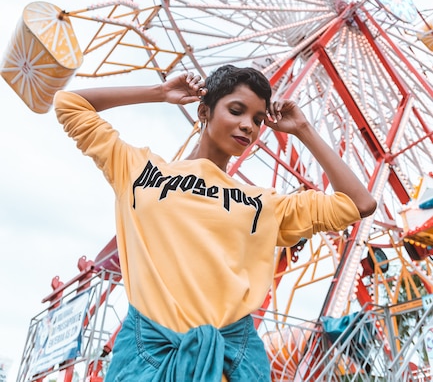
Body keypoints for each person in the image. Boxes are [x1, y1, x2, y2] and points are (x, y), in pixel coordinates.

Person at [54, 64, 376, 382]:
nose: (248, 125)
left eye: (257, 119)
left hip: (228, 365)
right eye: (236, 110)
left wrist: (303, 129)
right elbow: (69, 104)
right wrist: (161, 92)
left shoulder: (265, 204)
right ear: (203, 112)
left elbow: (359, 203)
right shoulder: (140, 171)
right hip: (147, 356)